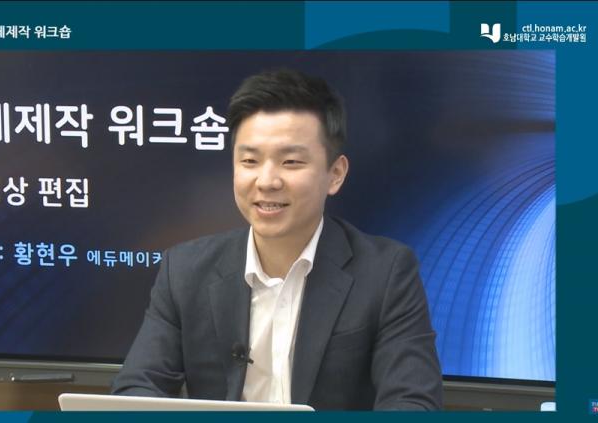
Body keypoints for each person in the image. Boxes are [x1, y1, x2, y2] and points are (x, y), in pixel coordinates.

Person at [111, 69, 443, 410]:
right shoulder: (184, 270)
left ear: (335, 174)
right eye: (250, 161)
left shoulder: (386, 273)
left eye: (291, 162)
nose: (267, 181)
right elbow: (137, 388)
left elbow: (413, 402)